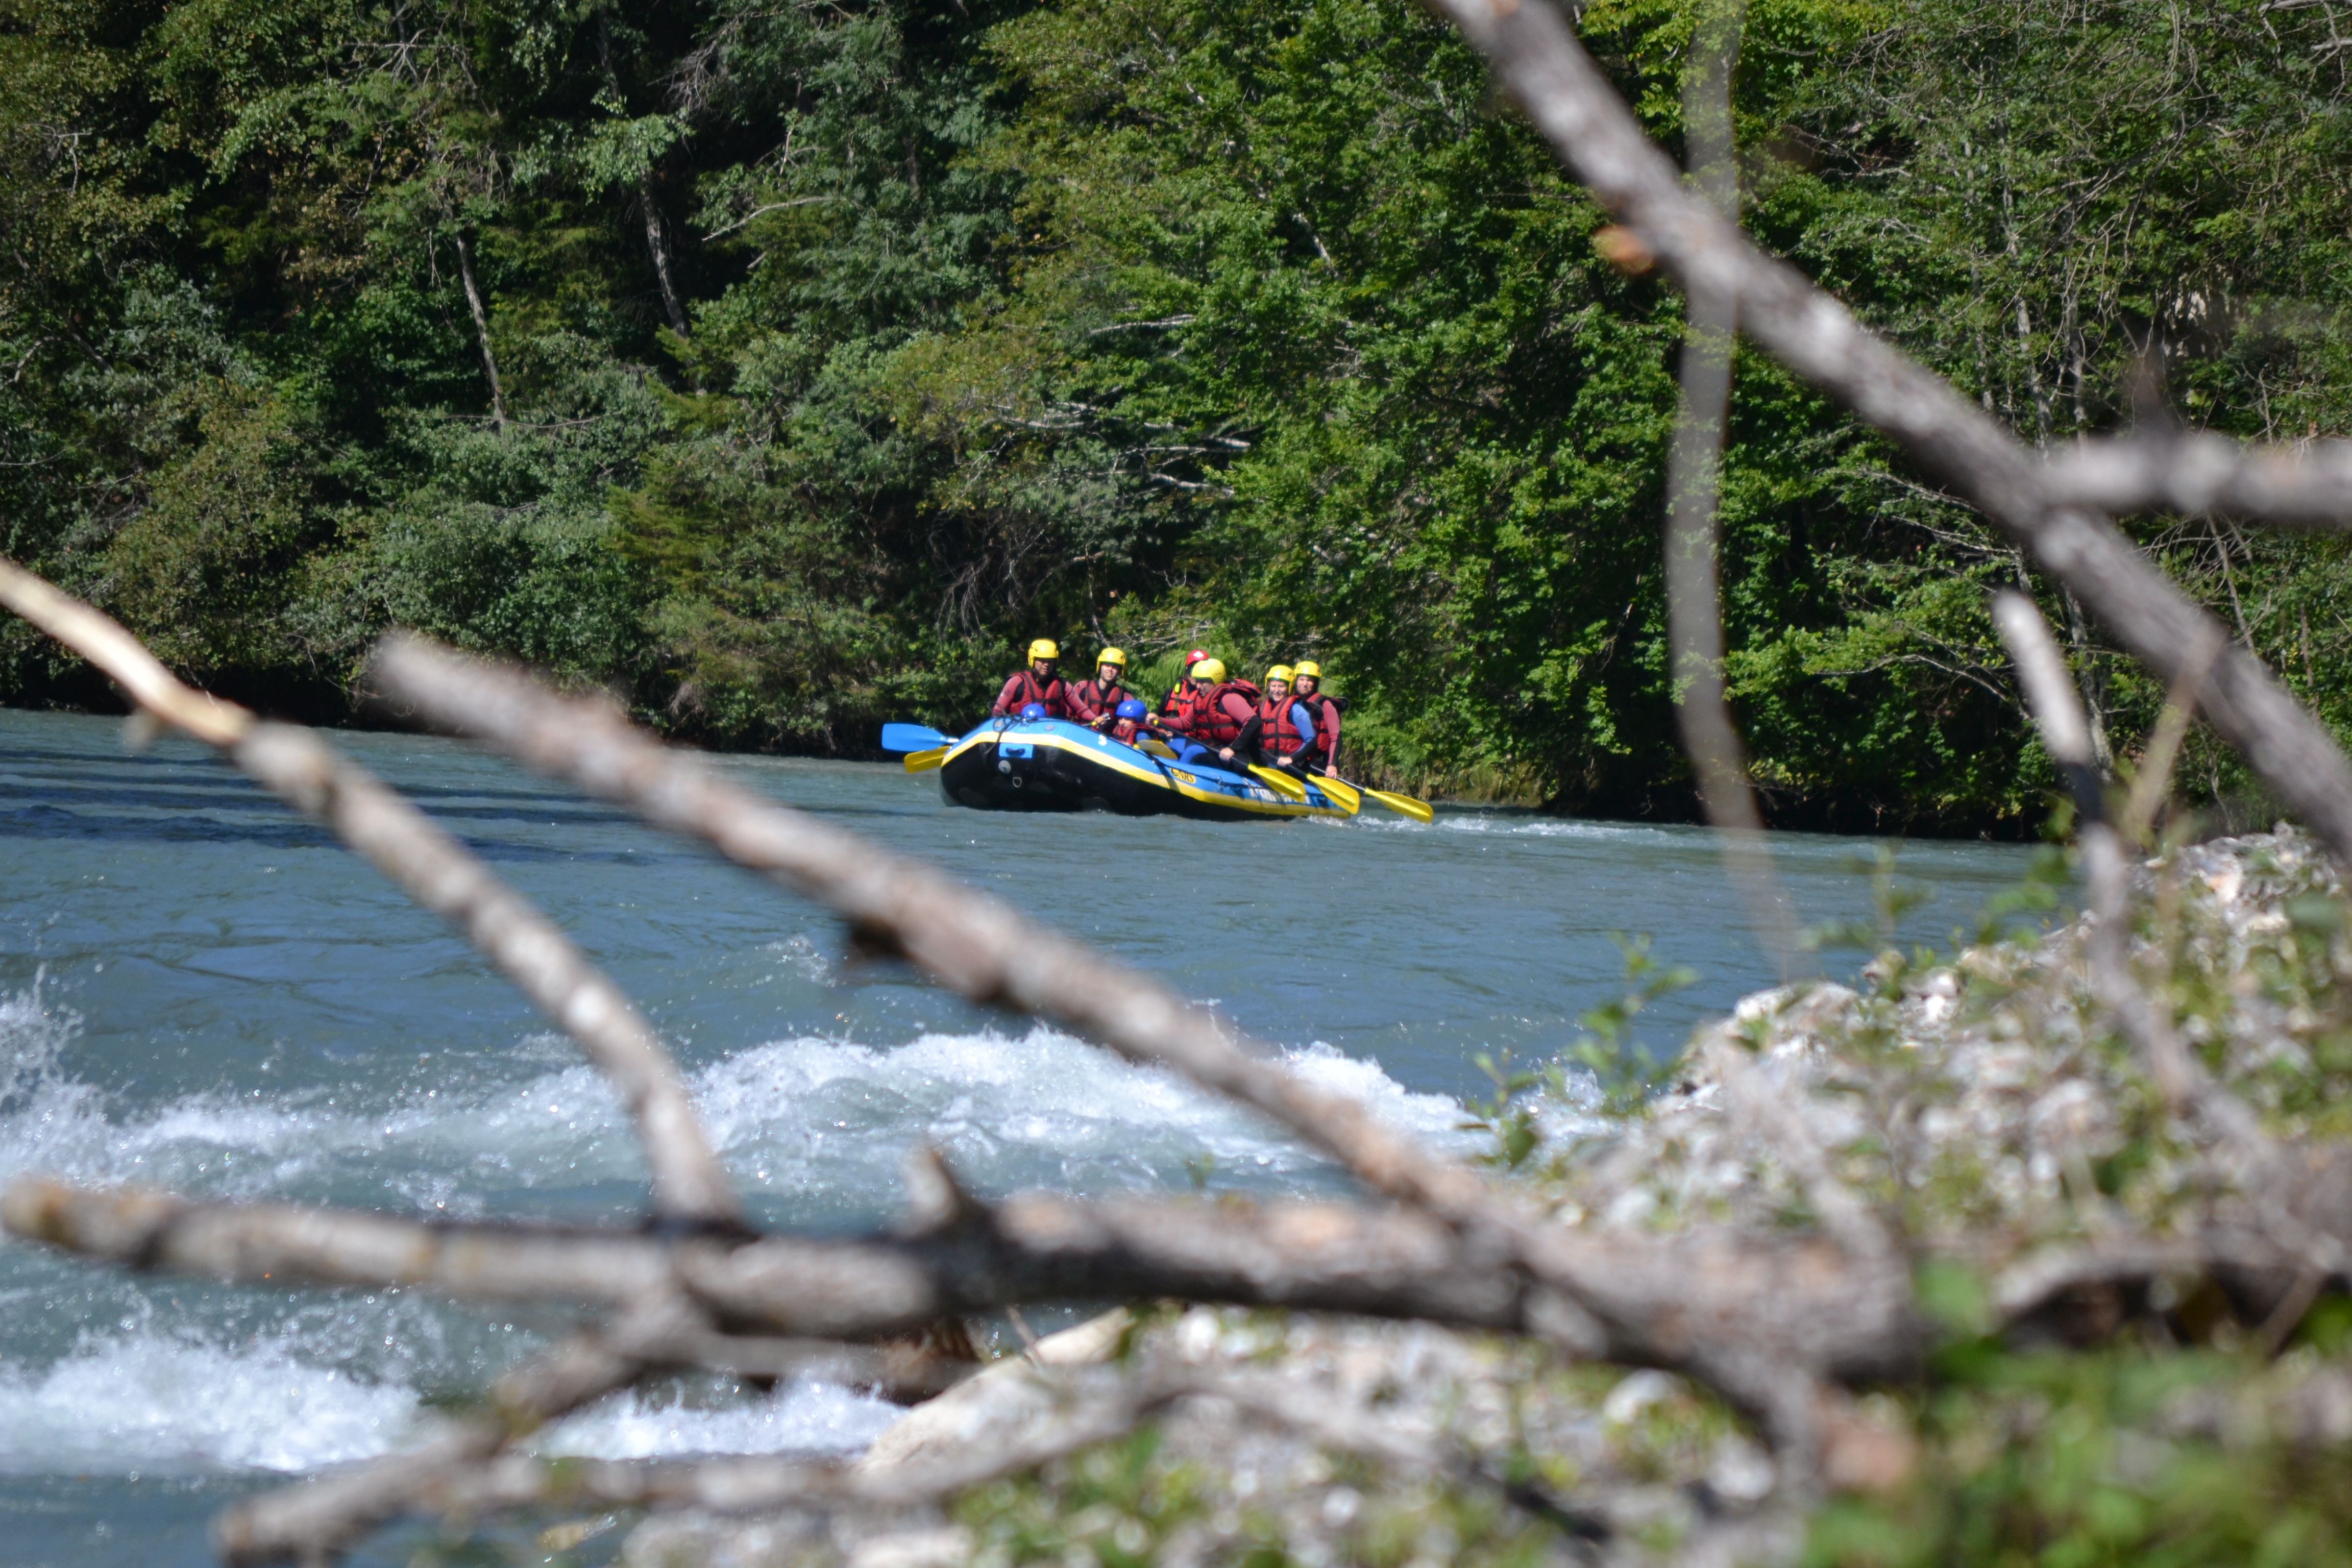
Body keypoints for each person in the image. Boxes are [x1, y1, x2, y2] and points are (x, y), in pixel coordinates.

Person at [1165, 657, 1261, 767]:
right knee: (1174, 744)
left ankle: (1179, 777)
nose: (1198, 686)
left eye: (1202, 682)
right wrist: (1160, 720)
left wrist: (1233, 749)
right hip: (1214, 747)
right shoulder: (1201, 699)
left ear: (1215, 680)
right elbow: (1186, 722)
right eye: (1197, 681)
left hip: (1238, 755)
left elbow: (1254, 722)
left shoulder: (1229, 698)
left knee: (1193, 754)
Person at [1223, 665, 1316, 772]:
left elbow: (1311, 740)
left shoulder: (1296, 709)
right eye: (1273, 686)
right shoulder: (1264, 707)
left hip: (1289, 764)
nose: (1277, 690)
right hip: (1269, 759)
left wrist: (1291, 759)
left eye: (1281, 686)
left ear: (1289, 687)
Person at [991, 640, 1068, 718]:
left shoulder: (1062, 684)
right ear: (1033, 659)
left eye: (1051, 661)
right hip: (1019, 728)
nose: (1047, 665)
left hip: (1052, 729)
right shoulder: (1016, 682)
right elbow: (997, 713)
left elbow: (1081, 711)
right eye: (1042, 660)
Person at [1292, 659, 1343, 775]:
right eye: (1302, 679)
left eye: (1309, 680)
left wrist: (1332, 765)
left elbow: (1336, 736)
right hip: (1294, 759)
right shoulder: (1290, 703)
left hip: (1316, 762)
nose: (1305, 684)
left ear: (1315, 683)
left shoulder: (1325, 705)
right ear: (1296, 681)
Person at [1066, 647, 1136, 727]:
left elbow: (1136, 718)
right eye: (1107, 665)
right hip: (1080, 733)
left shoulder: (1124, 695)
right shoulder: (1082, 688)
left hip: (1107, 738)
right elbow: (1066, 714)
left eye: (1115, 667)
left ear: (1120, 671)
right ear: (1100, 667)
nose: (1110, 669)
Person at [1155, 649, 1211, 727]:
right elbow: (1159, 719)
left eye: (1200, 671)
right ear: (1187, 672)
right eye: (1192, 670)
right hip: (1170, 736)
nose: (1195, 675)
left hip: (1194, 737)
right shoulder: (1170, 693)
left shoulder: (1211, 697)